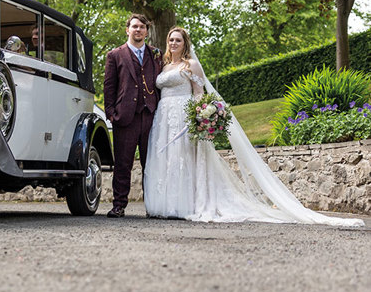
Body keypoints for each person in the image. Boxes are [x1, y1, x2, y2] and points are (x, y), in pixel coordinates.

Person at [143, 27, 364, 227]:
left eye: (178, 40)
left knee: (187, 157)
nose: (173, 43)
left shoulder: (191, 65)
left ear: (185, 43)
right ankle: (168, 205)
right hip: (164, 116)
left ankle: (189, 204)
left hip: (184, 114)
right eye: (171, 39)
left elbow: (200, 93)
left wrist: (200, 117)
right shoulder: (164, 65)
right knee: (168, 158)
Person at [103, 14, 162, 218]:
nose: (138, 30)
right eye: (134, 26)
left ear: (147, 31)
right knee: (123, 164)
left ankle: (153, 206)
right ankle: (119, 205)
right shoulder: (115, 55)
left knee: (151, 164)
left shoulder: (156, 54)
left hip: (151, 117)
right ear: (127, 29)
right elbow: (109, 86)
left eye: (142, 27)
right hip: (125, 118)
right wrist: (110, 113)